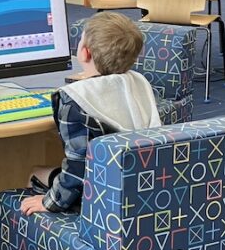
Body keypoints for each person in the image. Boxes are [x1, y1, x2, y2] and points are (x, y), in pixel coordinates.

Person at [20, 13, 161, 215]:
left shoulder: (75, 100)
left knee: (36, 171)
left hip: (102, 197)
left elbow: (78, 167)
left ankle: (28, 237)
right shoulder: (138, 83)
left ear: (84, 53)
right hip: (142, 186)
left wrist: (50, 202)